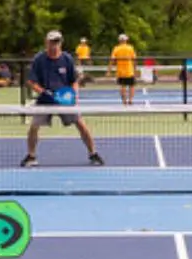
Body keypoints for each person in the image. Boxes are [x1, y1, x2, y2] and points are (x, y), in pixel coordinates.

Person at [22, 31, 104, 167]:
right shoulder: (39, 59)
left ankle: (93, 154)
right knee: (34, 127)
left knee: (81, 125)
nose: (54, 45)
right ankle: (31, 156)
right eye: (52, 42)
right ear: (46, 42)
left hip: (64, 100)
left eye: (57, 42)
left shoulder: (67, 59)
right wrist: (43, 92)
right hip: (45, 101)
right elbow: (31, 81)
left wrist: (74, 95)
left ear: (60, 43)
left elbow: (74, 81)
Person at [110, 33, 138, 105]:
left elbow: (112, 60)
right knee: (131, 86)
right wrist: (135, 69)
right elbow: (134, 59)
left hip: (120, 71)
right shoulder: (130, 48)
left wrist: (109, 70)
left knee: (122, 86)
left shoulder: (116, 48)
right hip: (129, 70)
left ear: (119, 40)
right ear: (126, 40)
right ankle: (130, 100)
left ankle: (124, 101)